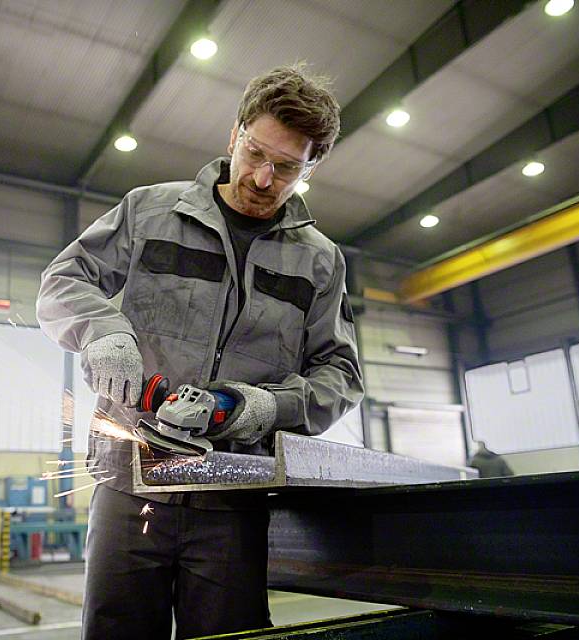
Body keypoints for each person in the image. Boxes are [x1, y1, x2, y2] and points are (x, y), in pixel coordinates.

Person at [37, 64, 364, 639]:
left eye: (286, 167)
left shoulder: (319, 261)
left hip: (233, 496)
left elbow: (339, 375)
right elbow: (65, 281)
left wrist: (259, 408)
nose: (263, 178)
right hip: (129, 483)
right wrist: (103, 331)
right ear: (234, 134)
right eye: (255, 153)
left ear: (313, 166)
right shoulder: (149, 212)